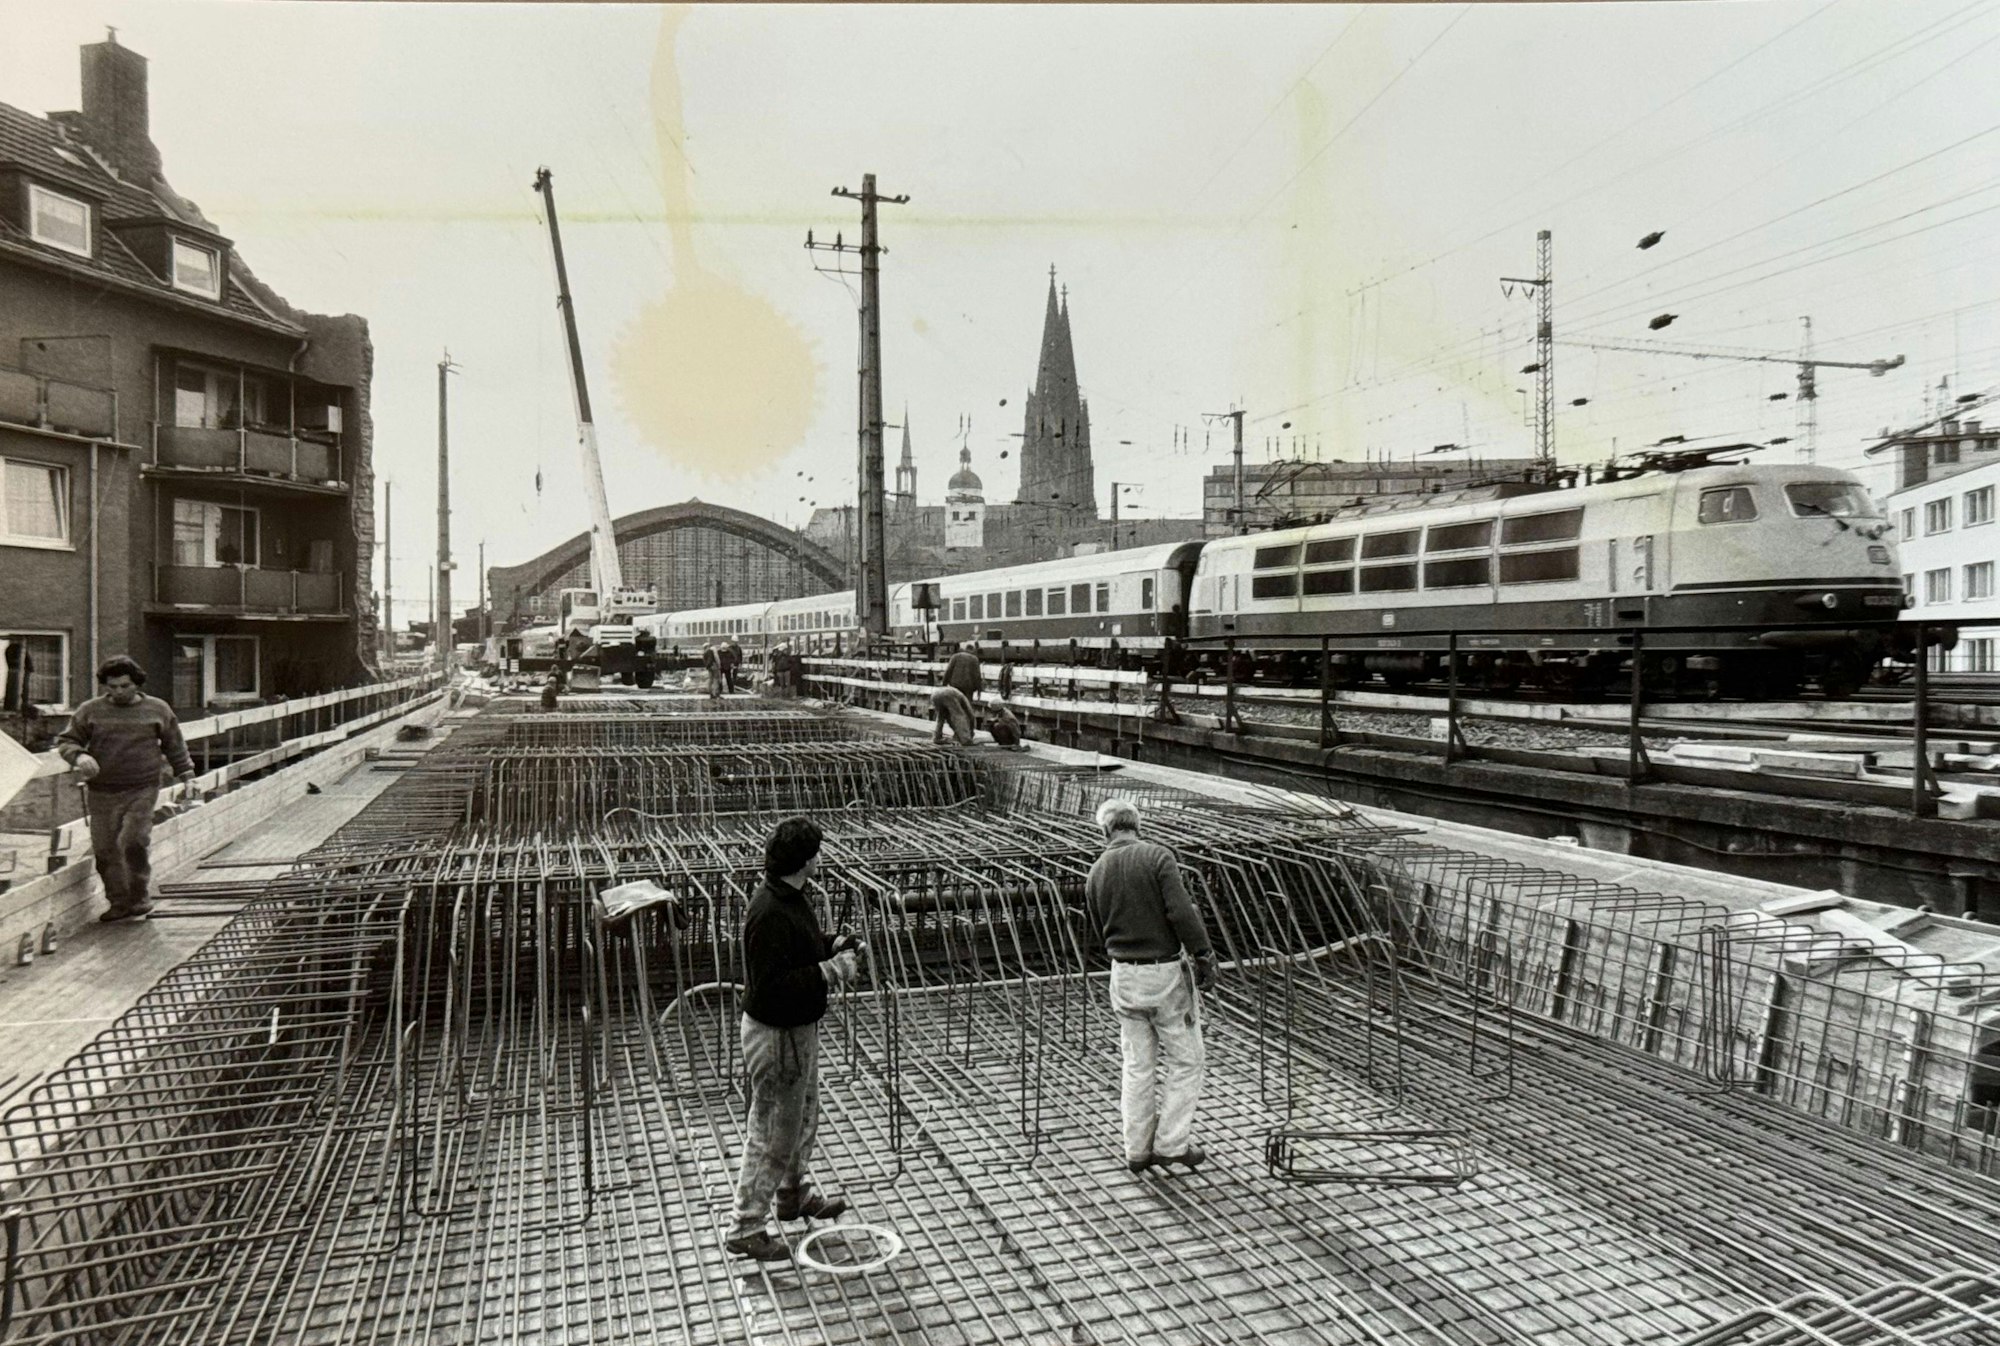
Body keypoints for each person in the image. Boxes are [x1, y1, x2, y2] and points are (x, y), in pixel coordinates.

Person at [724, 817, 867, 1262]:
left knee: (802, 1116)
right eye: (816, 852)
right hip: (777, 1036)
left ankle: (792, 1194)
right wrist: (831, 970)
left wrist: (832, 943)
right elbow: (772, 985)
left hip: (796, 1031)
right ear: (804, 860)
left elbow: (798, 948)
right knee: (771, 1131)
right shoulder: (768, 911)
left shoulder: (789, 896)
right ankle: (745, 1226)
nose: (820, 858)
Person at [1084, 798, 1216, 1173]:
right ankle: (1171, 1144)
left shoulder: (1096, 871)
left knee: (1137, 1066)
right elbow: (1180, 911)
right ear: (1136, 825)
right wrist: (1203, 953)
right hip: (1163, 974)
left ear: (1106, 831)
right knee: (1187, 1060)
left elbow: (1096, 928)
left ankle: (1137, 1150)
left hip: (1123, 976)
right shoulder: (1158, 856)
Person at [55, 656, 198, 923]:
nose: (118, 692)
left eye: (124, 686)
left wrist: (188, 776)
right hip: (102, 791)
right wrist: (79, 756)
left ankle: (139, 897)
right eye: (112, 687)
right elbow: (66, 741)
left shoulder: (158, 709)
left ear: (137, 684)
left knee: (133, 841)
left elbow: (175, 745)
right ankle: (118, 902)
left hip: (142, 788)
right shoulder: (90, 710)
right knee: (105, 849)